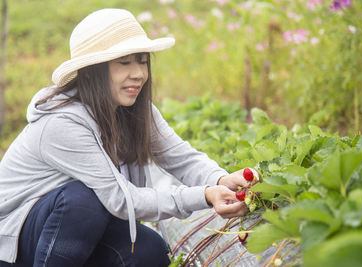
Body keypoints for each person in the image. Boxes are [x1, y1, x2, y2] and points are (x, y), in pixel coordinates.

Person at [0, 8, 253, 266]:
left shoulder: (135, 111)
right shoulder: (61, 124)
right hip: (15, 243)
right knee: (83, 200)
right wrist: (205, 195)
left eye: (142, 61)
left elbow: (181, 157)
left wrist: (221, 179)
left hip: (75, 232)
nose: (139, 73)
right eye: (124, 62)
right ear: (91, 71)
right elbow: (121, 199)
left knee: (148, 250)